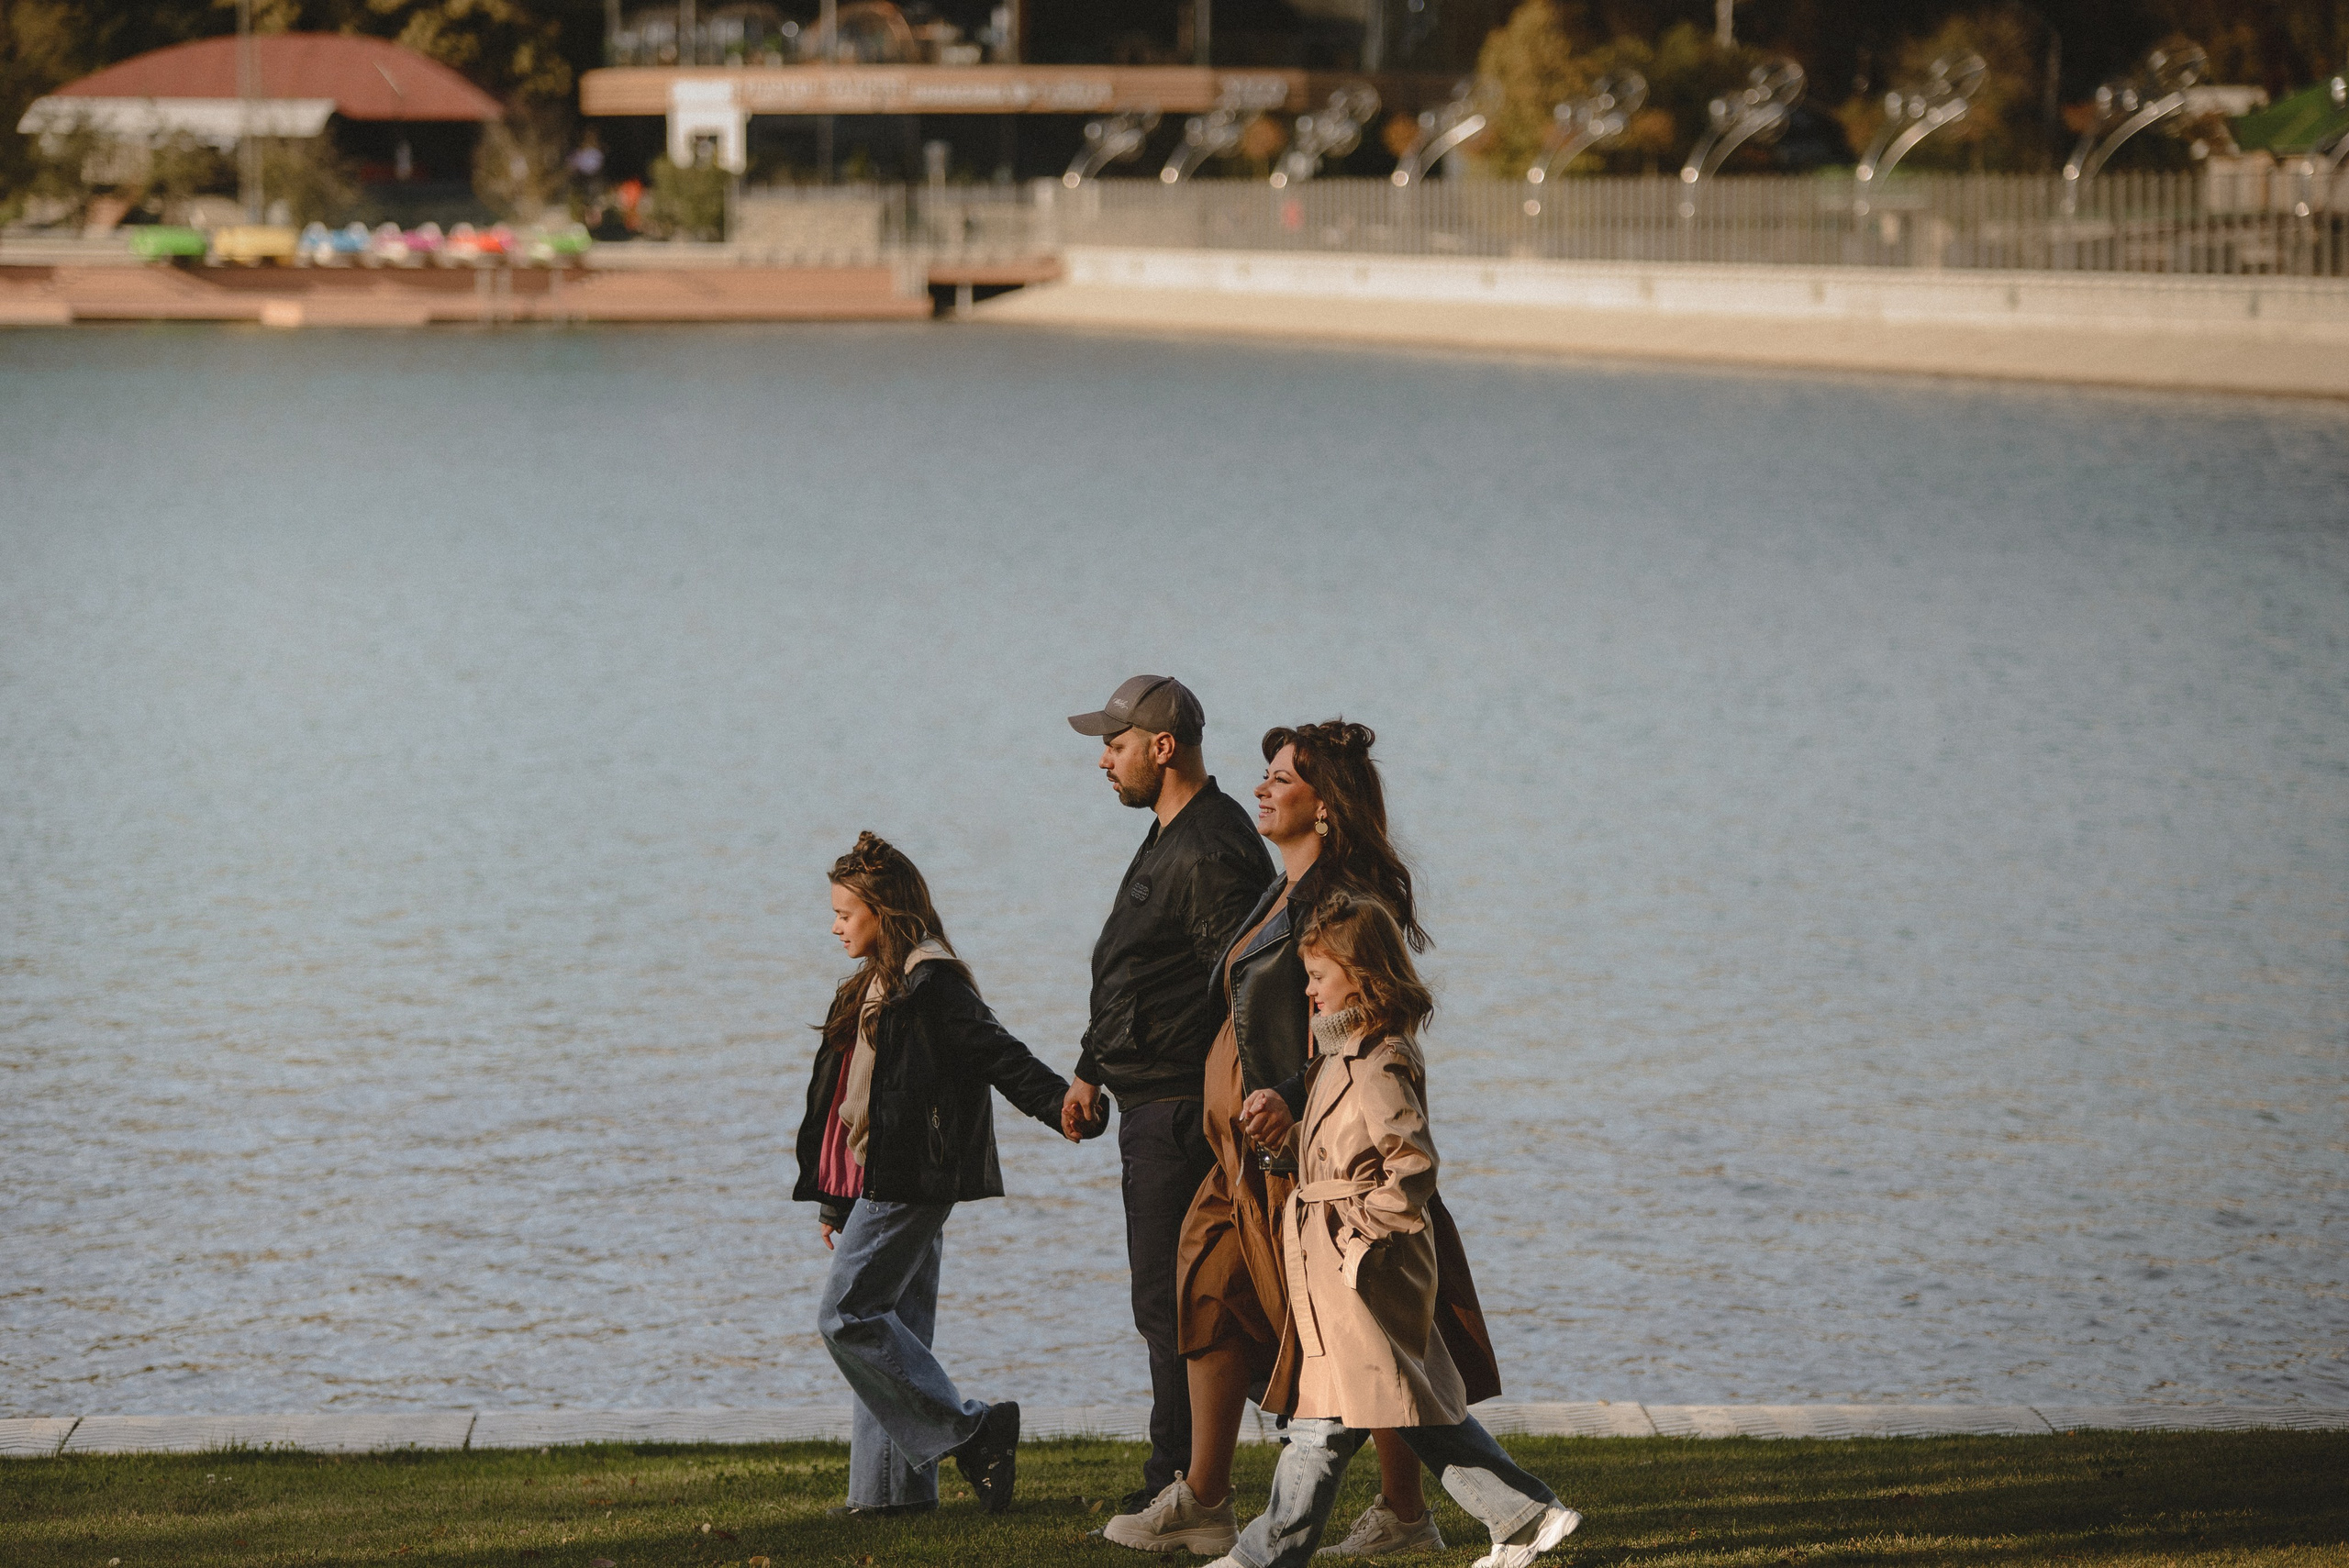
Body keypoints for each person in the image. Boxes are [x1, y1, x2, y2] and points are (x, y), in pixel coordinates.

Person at [1111, 719, 1499, 1559]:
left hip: (1309, 1151)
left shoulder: (1344, 898)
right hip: (1241, 1150)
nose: (1262, 787)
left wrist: (1288, 1099)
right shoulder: (1280, 887)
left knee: (1359, 1336)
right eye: (1267, 775)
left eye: (1282, 778)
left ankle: (1409, 1510)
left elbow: (1361, 1025)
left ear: (1324, 806)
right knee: (1204, 1288)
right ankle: (1206, 1495)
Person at [1208, 892, 1581, 1568]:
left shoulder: (1379, 1063)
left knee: (1326, 1425)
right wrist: (1286, 1142)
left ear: (1362, 973)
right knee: (1399, 1407)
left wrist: (1360, 1237)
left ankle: (1255, 1560)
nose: (1307, 988)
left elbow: (1412, 1164)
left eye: (1318, 975)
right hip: (1340, 1267)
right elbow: (1341, 1155)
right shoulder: (1338, 1056)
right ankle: (1525, 1515)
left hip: (1360, 1272)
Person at [792, 831, 1073, 1518]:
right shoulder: (871, 985)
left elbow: (996, 1052)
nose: (833, 925)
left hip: (913, 1177)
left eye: (844, 913)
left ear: (883, 912)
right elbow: (844, 1103)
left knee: (847, 1315)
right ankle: (891, 1496)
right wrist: (834, 1199)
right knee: (895, 1327)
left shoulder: (931, 982)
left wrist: (1060, 1102)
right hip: (878, 1177)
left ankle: (973, 1429)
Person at [1062, 675, 1274, 1516]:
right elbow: (1138, 966)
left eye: (1113, 747)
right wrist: (1089, 1065)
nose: (1103, 763)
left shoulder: (1211, 846)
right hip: (1148, 1098)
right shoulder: (1170, 835)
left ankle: (1187, 1486)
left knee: (1178, 1300)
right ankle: (1182, 1475)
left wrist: (1256, 1099)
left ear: (1162, 746)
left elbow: (1246, 985)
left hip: (1186, 1111)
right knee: (1172, 1298)